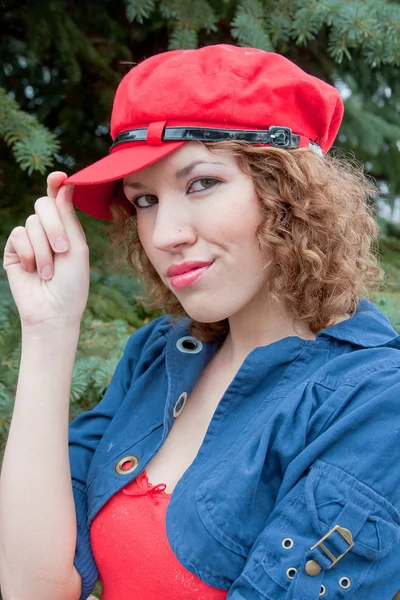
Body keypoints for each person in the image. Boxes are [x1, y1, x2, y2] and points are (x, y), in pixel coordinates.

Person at [1, 43, 400, 600]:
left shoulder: (375, 403)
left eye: (201, 184)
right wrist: (49, 329)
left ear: (292, 192)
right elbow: (31, 588)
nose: (166, 234)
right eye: (144, 200)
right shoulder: (159, 354)